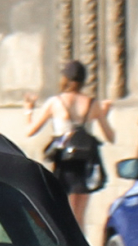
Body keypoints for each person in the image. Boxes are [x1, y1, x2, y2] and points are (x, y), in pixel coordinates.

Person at [23, 60, 114, 223]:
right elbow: (111, 136)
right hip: (84, 164)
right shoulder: (93, 104)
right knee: (79, 219)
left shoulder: (55, 102)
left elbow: (29, 131)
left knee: (61, 217)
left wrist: (28, 110)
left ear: (65, 78)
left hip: (63, 164)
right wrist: (103, 113)